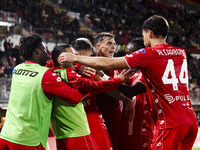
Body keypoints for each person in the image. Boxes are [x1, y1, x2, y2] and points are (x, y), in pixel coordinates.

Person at [58, 15, 198, 150]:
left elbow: (108, 64)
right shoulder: (181, 52)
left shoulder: (148, 54)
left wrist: (75, 58)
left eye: (143, 36)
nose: (143, 40)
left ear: (149, 33)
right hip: (191, 121)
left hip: (169, 123)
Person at [0, 34, 87, 150]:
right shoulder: (46, 75)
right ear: (37, 52)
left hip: (6, 135)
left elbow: (44, 66)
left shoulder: (17, 69)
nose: (48, 54)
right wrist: (87, 80)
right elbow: (75, 96)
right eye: (45, 50)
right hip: (27, 140)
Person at [50, 44, 133, 150]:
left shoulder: (85, 70)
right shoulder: (58, 73)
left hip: (84, 123)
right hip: (75, 128)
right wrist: (117, 81)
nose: (81, 59)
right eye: (75, 55)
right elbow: (95, 86)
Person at [72, 38, 113, 150]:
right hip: (89, 118)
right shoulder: (87, 68)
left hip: (75, 123)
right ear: (82, 54)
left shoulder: (61, 70)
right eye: (90, 55)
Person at [118, 38, 154, 150]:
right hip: (127, 130)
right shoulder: (133, 74)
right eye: (126, 54)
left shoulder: (148, 73)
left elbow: (130, 91)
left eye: (131, 54)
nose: (128, 57)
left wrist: (111, 80)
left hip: (140, 131)